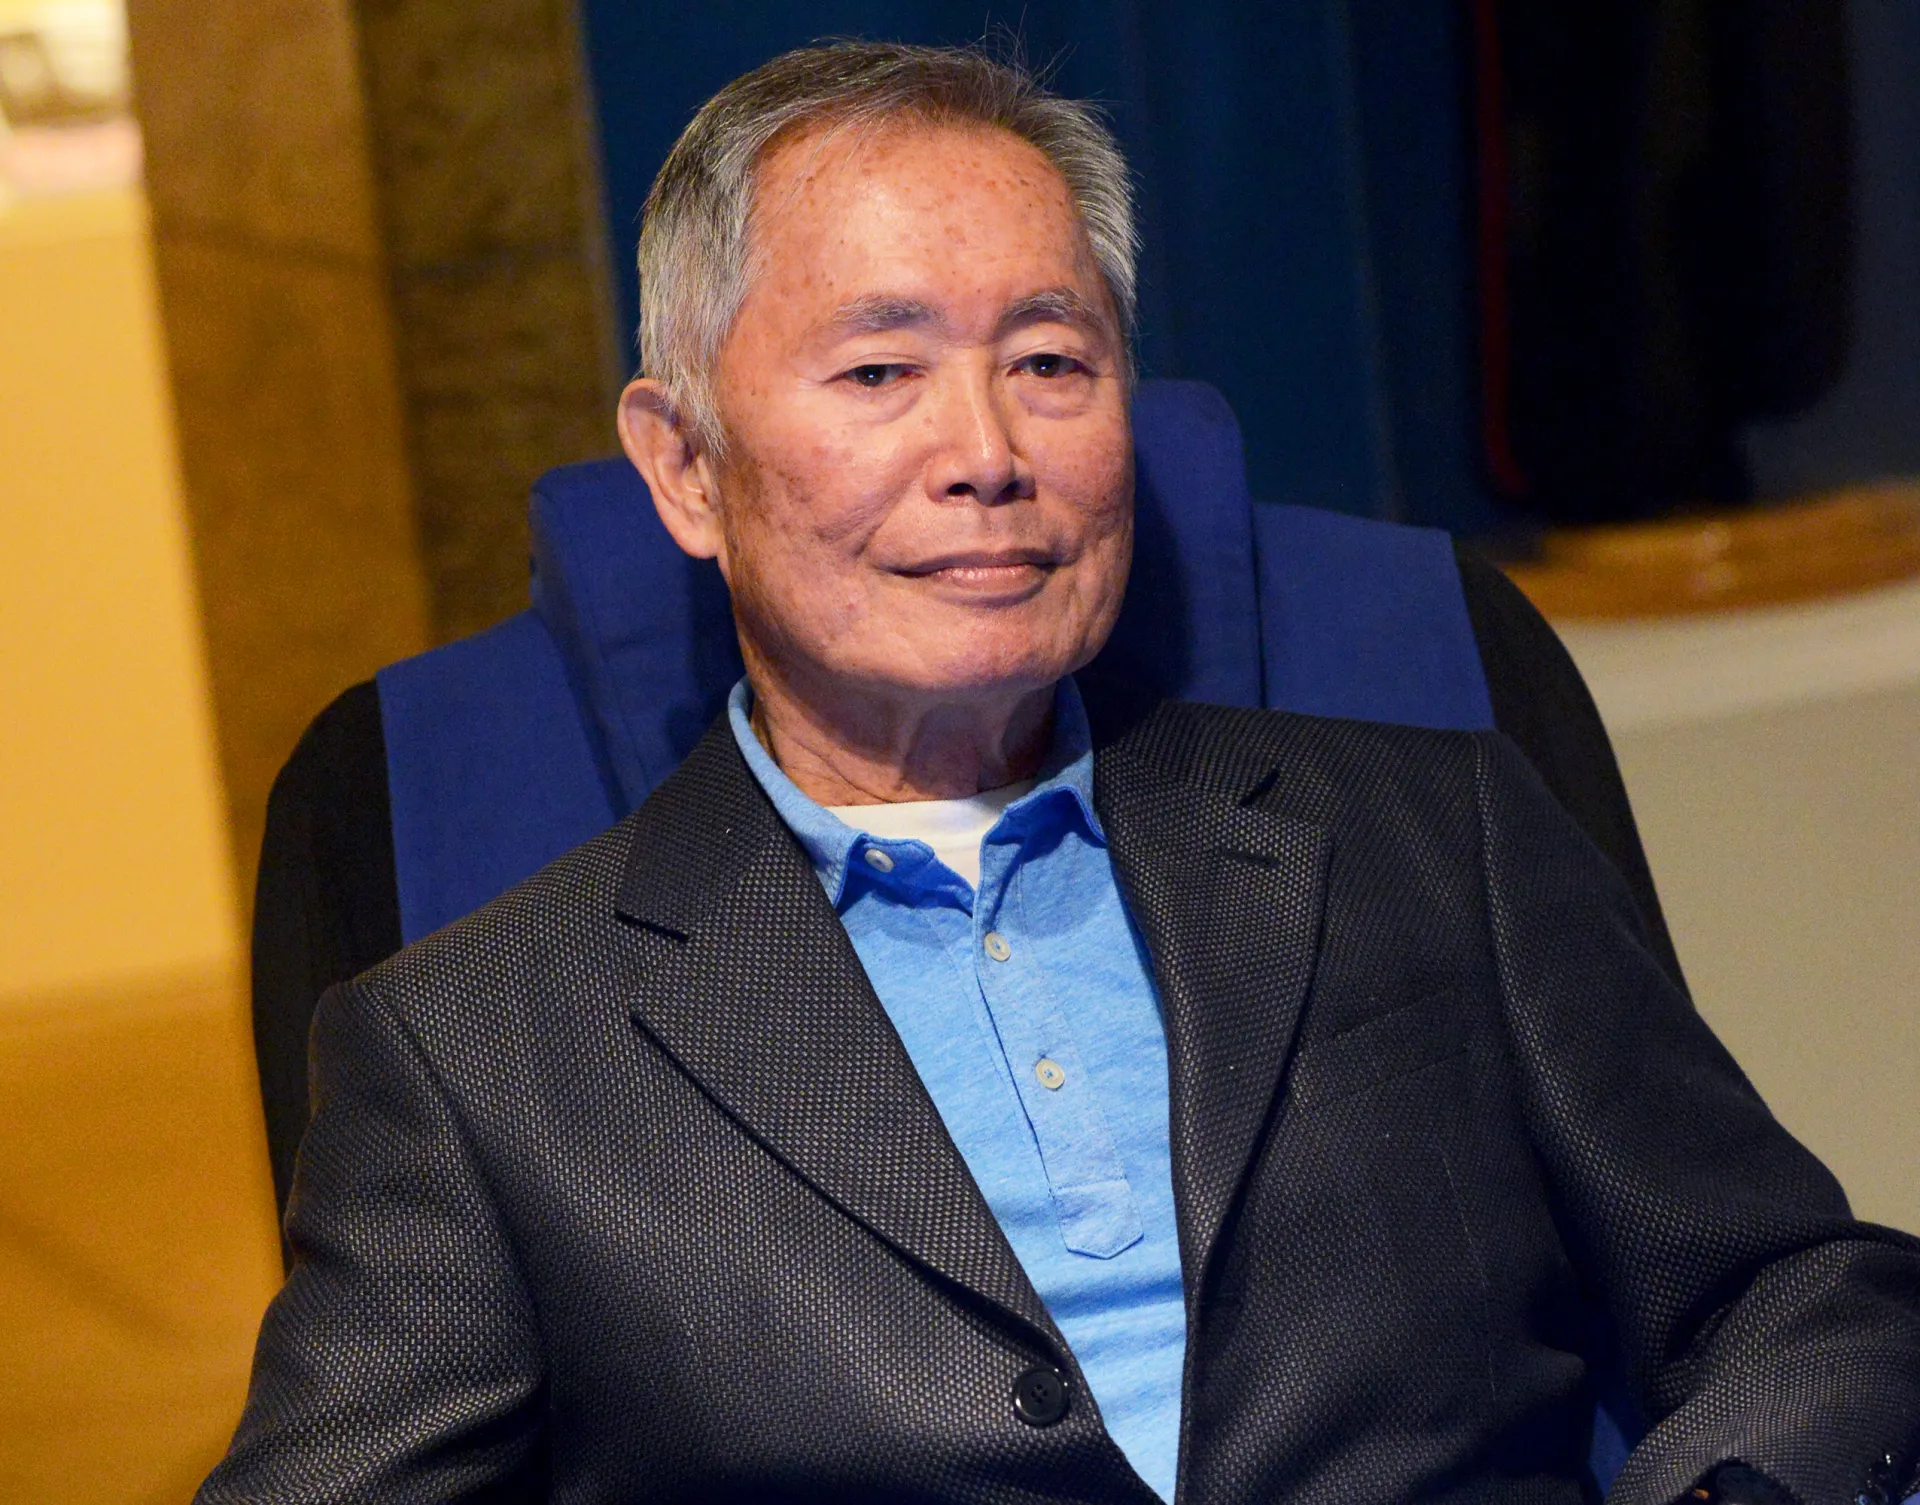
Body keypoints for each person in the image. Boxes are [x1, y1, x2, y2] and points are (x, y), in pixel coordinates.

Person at [199, 42, 1920, 1505]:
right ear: (686, 467)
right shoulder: (476, 1053)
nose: (987, 453)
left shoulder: (1429, 831)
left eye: (1050, 362)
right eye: (880, 371)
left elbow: (1800, 1297)